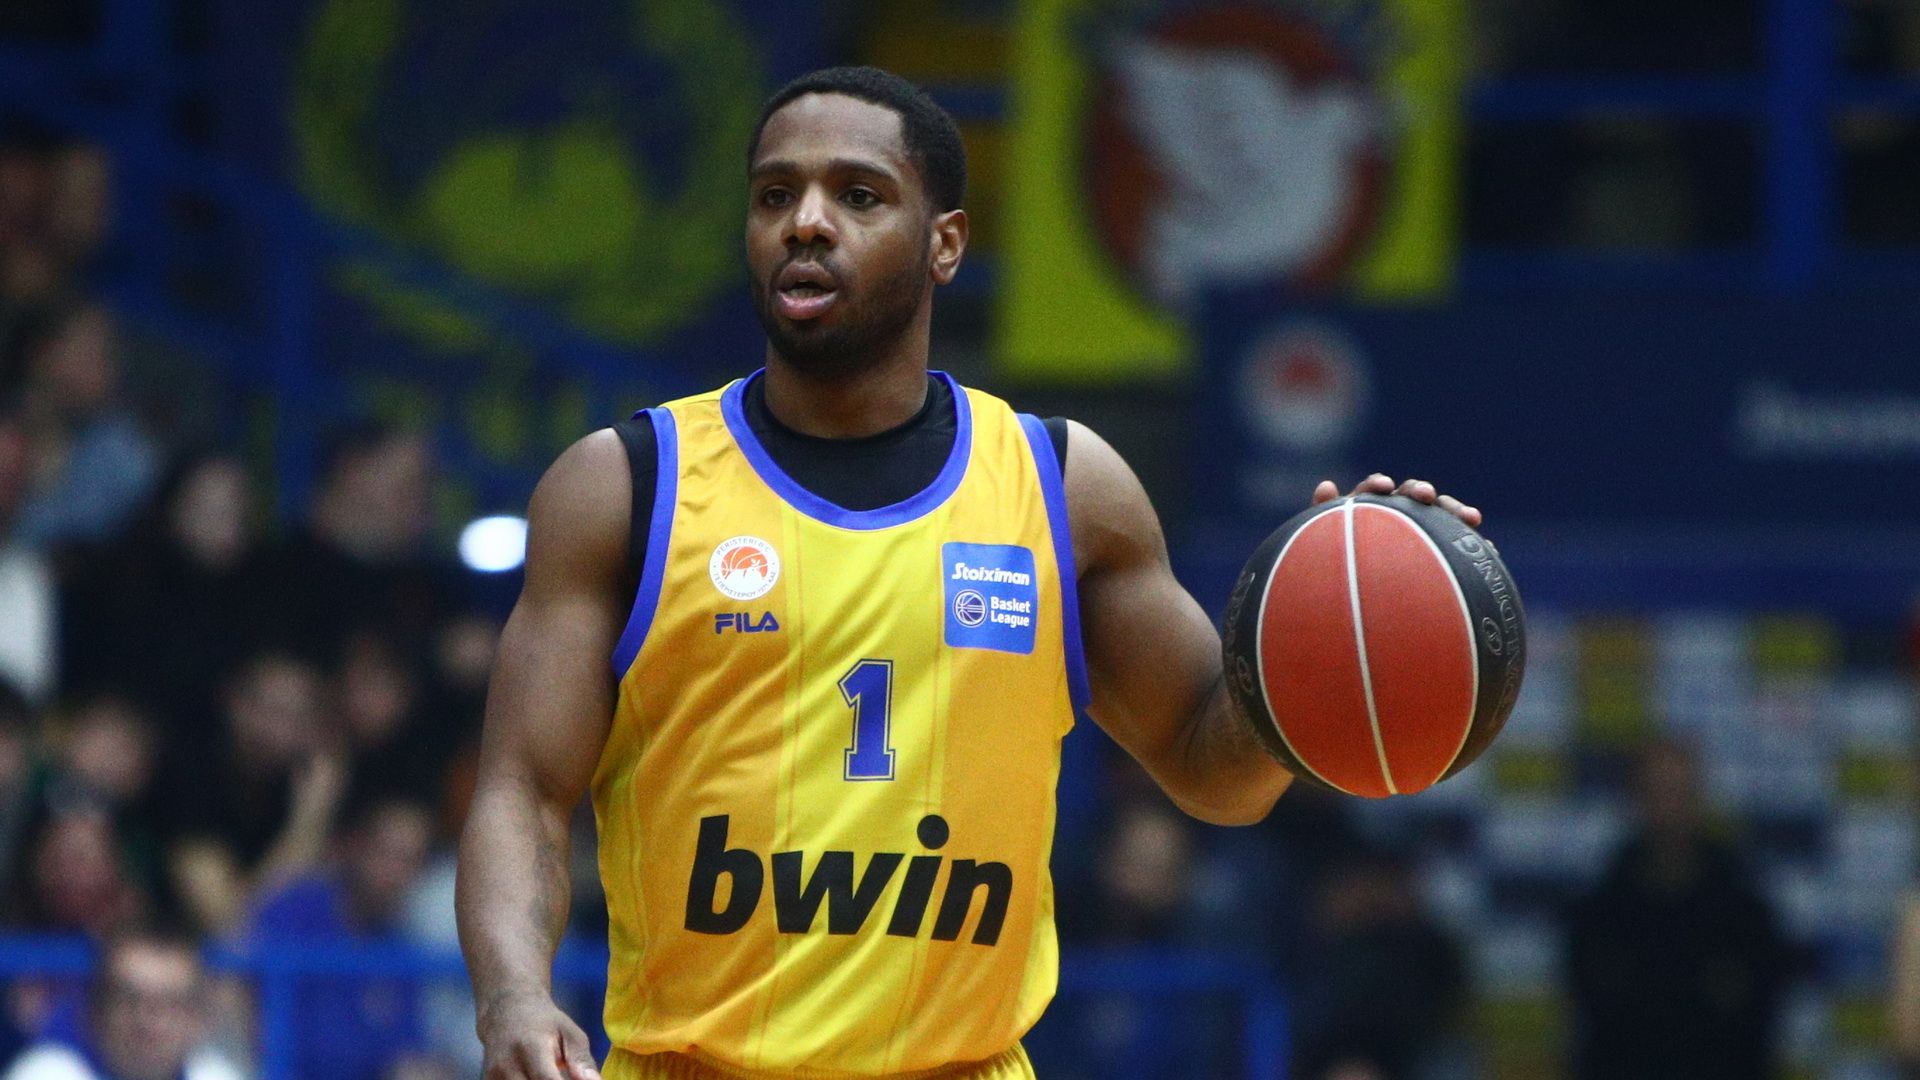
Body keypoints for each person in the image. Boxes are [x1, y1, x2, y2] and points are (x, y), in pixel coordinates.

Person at [456, 65, 1482, 1080]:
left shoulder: (1064, 488)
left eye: (858, 195)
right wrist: (512, 995)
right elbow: (522, 791)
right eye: (775, 195)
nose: (806, 222)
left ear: (944, 243)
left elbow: (1213, 771)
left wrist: (1319, 637)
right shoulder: (626, 487)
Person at [1565, 739, 1789, 1080]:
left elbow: (1756, 1021)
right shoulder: (1600, 911)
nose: (1669, 809)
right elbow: (1599, 1020)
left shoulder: (1744, 911)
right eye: (1656, 793)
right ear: (1636, 801)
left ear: (1698, 799)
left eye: (1679, 793)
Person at [1, 926, 242, 1080]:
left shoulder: (217, 1075)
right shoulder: (46, 1073)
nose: (148, 1021)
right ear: (95, 1010)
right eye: (130, 999)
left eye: (170, 1003)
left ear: (199, 1018)